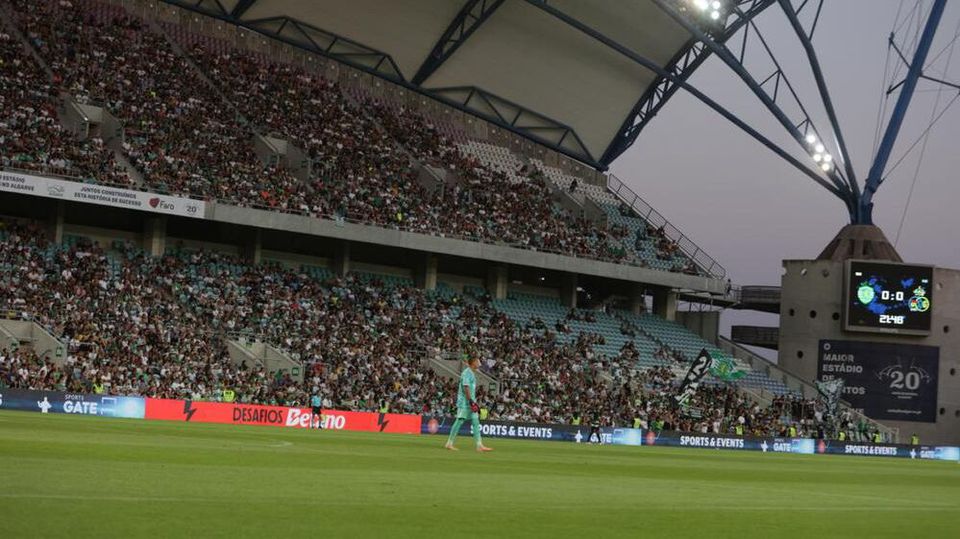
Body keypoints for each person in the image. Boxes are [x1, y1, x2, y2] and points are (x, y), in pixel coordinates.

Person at [444, 357, 493, 452]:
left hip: (471, 402)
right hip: (464, 403)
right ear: (473, 362)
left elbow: (470, 389)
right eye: (478, 361)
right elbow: (466, 387)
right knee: (459, 421)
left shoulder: (472, 373)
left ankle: (479, 445)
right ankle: (449, 443)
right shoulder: (467, 373)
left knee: (475, 422)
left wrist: (474, 402)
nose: (479, 363)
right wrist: (470, 401)